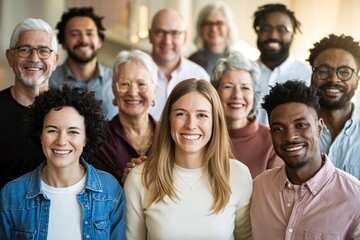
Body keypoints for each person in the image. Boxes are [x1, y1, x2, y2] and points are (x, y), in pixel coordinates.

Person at [124, 79, 253, 239]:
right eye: (181, 114)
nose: (191, 124)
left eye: (202, 115)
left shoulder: (238, 175)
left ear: (215, 122)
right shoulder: (139, 178)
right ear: (169, 120)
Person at [0, 85, 125, 239]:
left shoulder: (110, 190)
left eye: (73, 131)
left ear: (86, 138)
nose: (61, 141)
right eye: (52, 130)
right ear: (40, 135)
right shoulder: (11, 195)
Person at [250, 80, 360, 239]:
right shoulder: (259, 188)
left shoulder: (354, 198)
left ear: (319, 128)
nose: (290, 136)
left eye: (300, 125)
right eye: (278, 129)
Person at [0, 18, 59, 190]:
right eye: (24, 50)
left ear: (54, 60)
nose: (34, 58)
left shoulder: (70, 112)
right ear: (10, 57)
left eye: (43, 51)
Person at [89, 49, 158, 185]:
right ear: (114, 90)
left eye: (141, 84)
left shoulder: (169, 134)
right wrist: (125, 182)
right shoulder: (98, 137)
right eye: (124, 84)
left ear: (154, 91)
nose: (132, 93)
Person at [211, 51, 282, 178]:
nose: (237, 95)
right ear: (215, 92)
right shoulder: (203, 136)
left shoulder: (272, 142)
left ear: (255, 95)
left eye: (245, 88)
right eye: (228, 86)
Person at [50, 7, 117, 120]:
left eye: (89, 33)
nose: (83, 40)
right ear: (63, 43)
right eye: (74, 34)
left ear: (99, 41)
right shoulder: (48, 82)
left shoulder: (116, 80)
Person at [308, 34, 360, 179]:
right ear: (312, 76)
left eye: (344, 72)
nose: (333, 79)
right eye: (324, 71)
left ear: (357, 79)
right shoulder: (296, 129)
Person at [252, 3, 311, 125]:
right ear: (258, 32)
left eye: (282, 30)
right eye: (266, 29)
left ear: (292, 34)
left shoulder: (307, 76)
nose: (273, 35)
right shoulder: (245, 72)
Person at [148, 8, 210, 120]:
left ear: (185, 37)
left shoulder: (200, 76)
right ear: (150, 35)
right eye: (160, 32)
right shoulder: (136, 74)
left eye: (174, 33)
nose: (167, 40)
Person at [188, 2, 237, 75]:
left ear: (229, 27)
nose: (213, 29)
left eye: (219, 23)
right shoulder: (191, 62)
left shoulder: (237, 61)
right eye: (208, 23)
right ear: (200, 28)